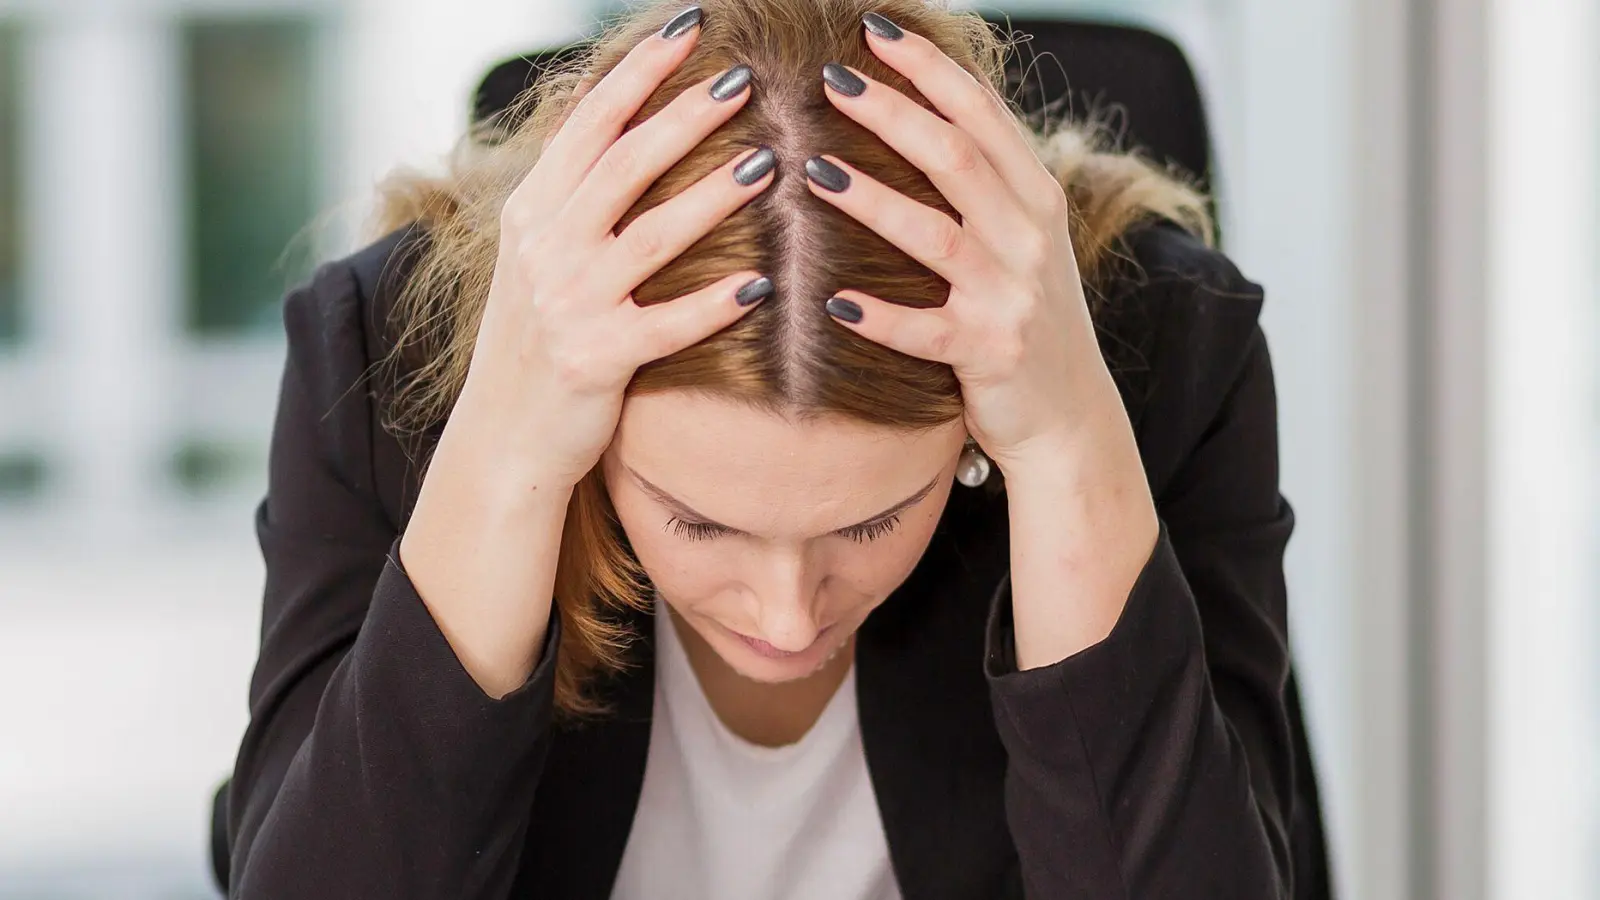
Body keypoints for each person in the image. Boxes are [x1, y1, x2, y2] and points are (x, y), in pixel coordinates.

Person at [222, 1, 1333, 898]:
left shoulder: (1163, 366)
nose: (788, 615)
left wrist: (1060, 440)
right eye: (697, 519)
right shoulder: (380, 372)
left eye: (871, 520)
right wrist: (509, 455)